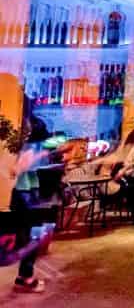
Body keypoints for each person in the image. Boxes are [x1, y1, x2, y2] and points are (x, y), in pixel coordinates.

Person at [0, 121, 48, 293]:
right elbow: (16, 170)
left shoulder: (26, 146)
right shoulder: (26, 148)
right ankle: (25, 277)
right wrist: (36, 157)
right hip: (23, 196)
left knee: (29, 237)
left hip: (26, 194)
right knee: (29, 238)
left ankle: (24, 276)